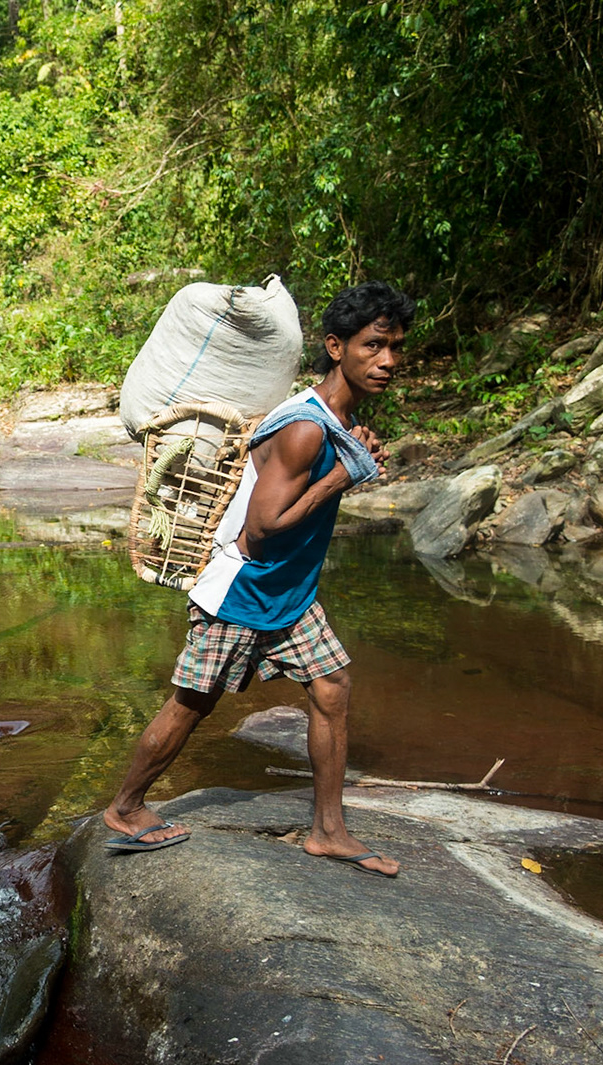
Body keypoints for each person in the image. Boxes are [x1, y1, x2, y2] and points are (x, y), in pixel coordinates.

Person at [102, 281, 413, 876]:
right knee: (193, 702)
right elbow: (262, 528)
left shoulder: (333, 421)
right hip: (242, 588)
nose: (389, 362)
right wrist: (345, 476)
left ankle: (327, 830)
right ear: (335, 347)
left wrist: (351, 454)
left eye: (396, 348)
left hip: (288, 593)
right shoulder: (305, 428)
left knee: (332, 688)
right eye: (374, 346)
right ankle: (125, 808)